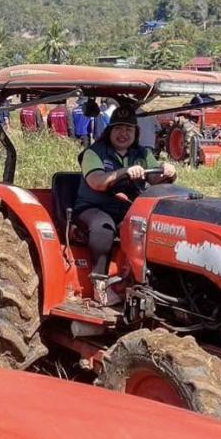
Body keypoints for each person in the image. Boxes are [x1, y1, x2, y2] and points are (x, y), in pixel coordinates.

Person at [74, 104, 176, 303]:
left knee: (154, 228)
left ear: (136, 133)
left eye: (128, 129)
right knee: (104, 227)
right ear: (109, 131)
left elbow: (155, 179)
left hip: (127, 207)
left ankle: (145, 281)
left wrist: (167, 172)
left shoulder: (143, 154)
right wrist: (124, 171)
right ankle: (99, 285)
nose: (123, 134)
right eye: (118, 128)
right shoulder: (94, 153)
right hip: (93, 207)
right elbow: (97, 182)